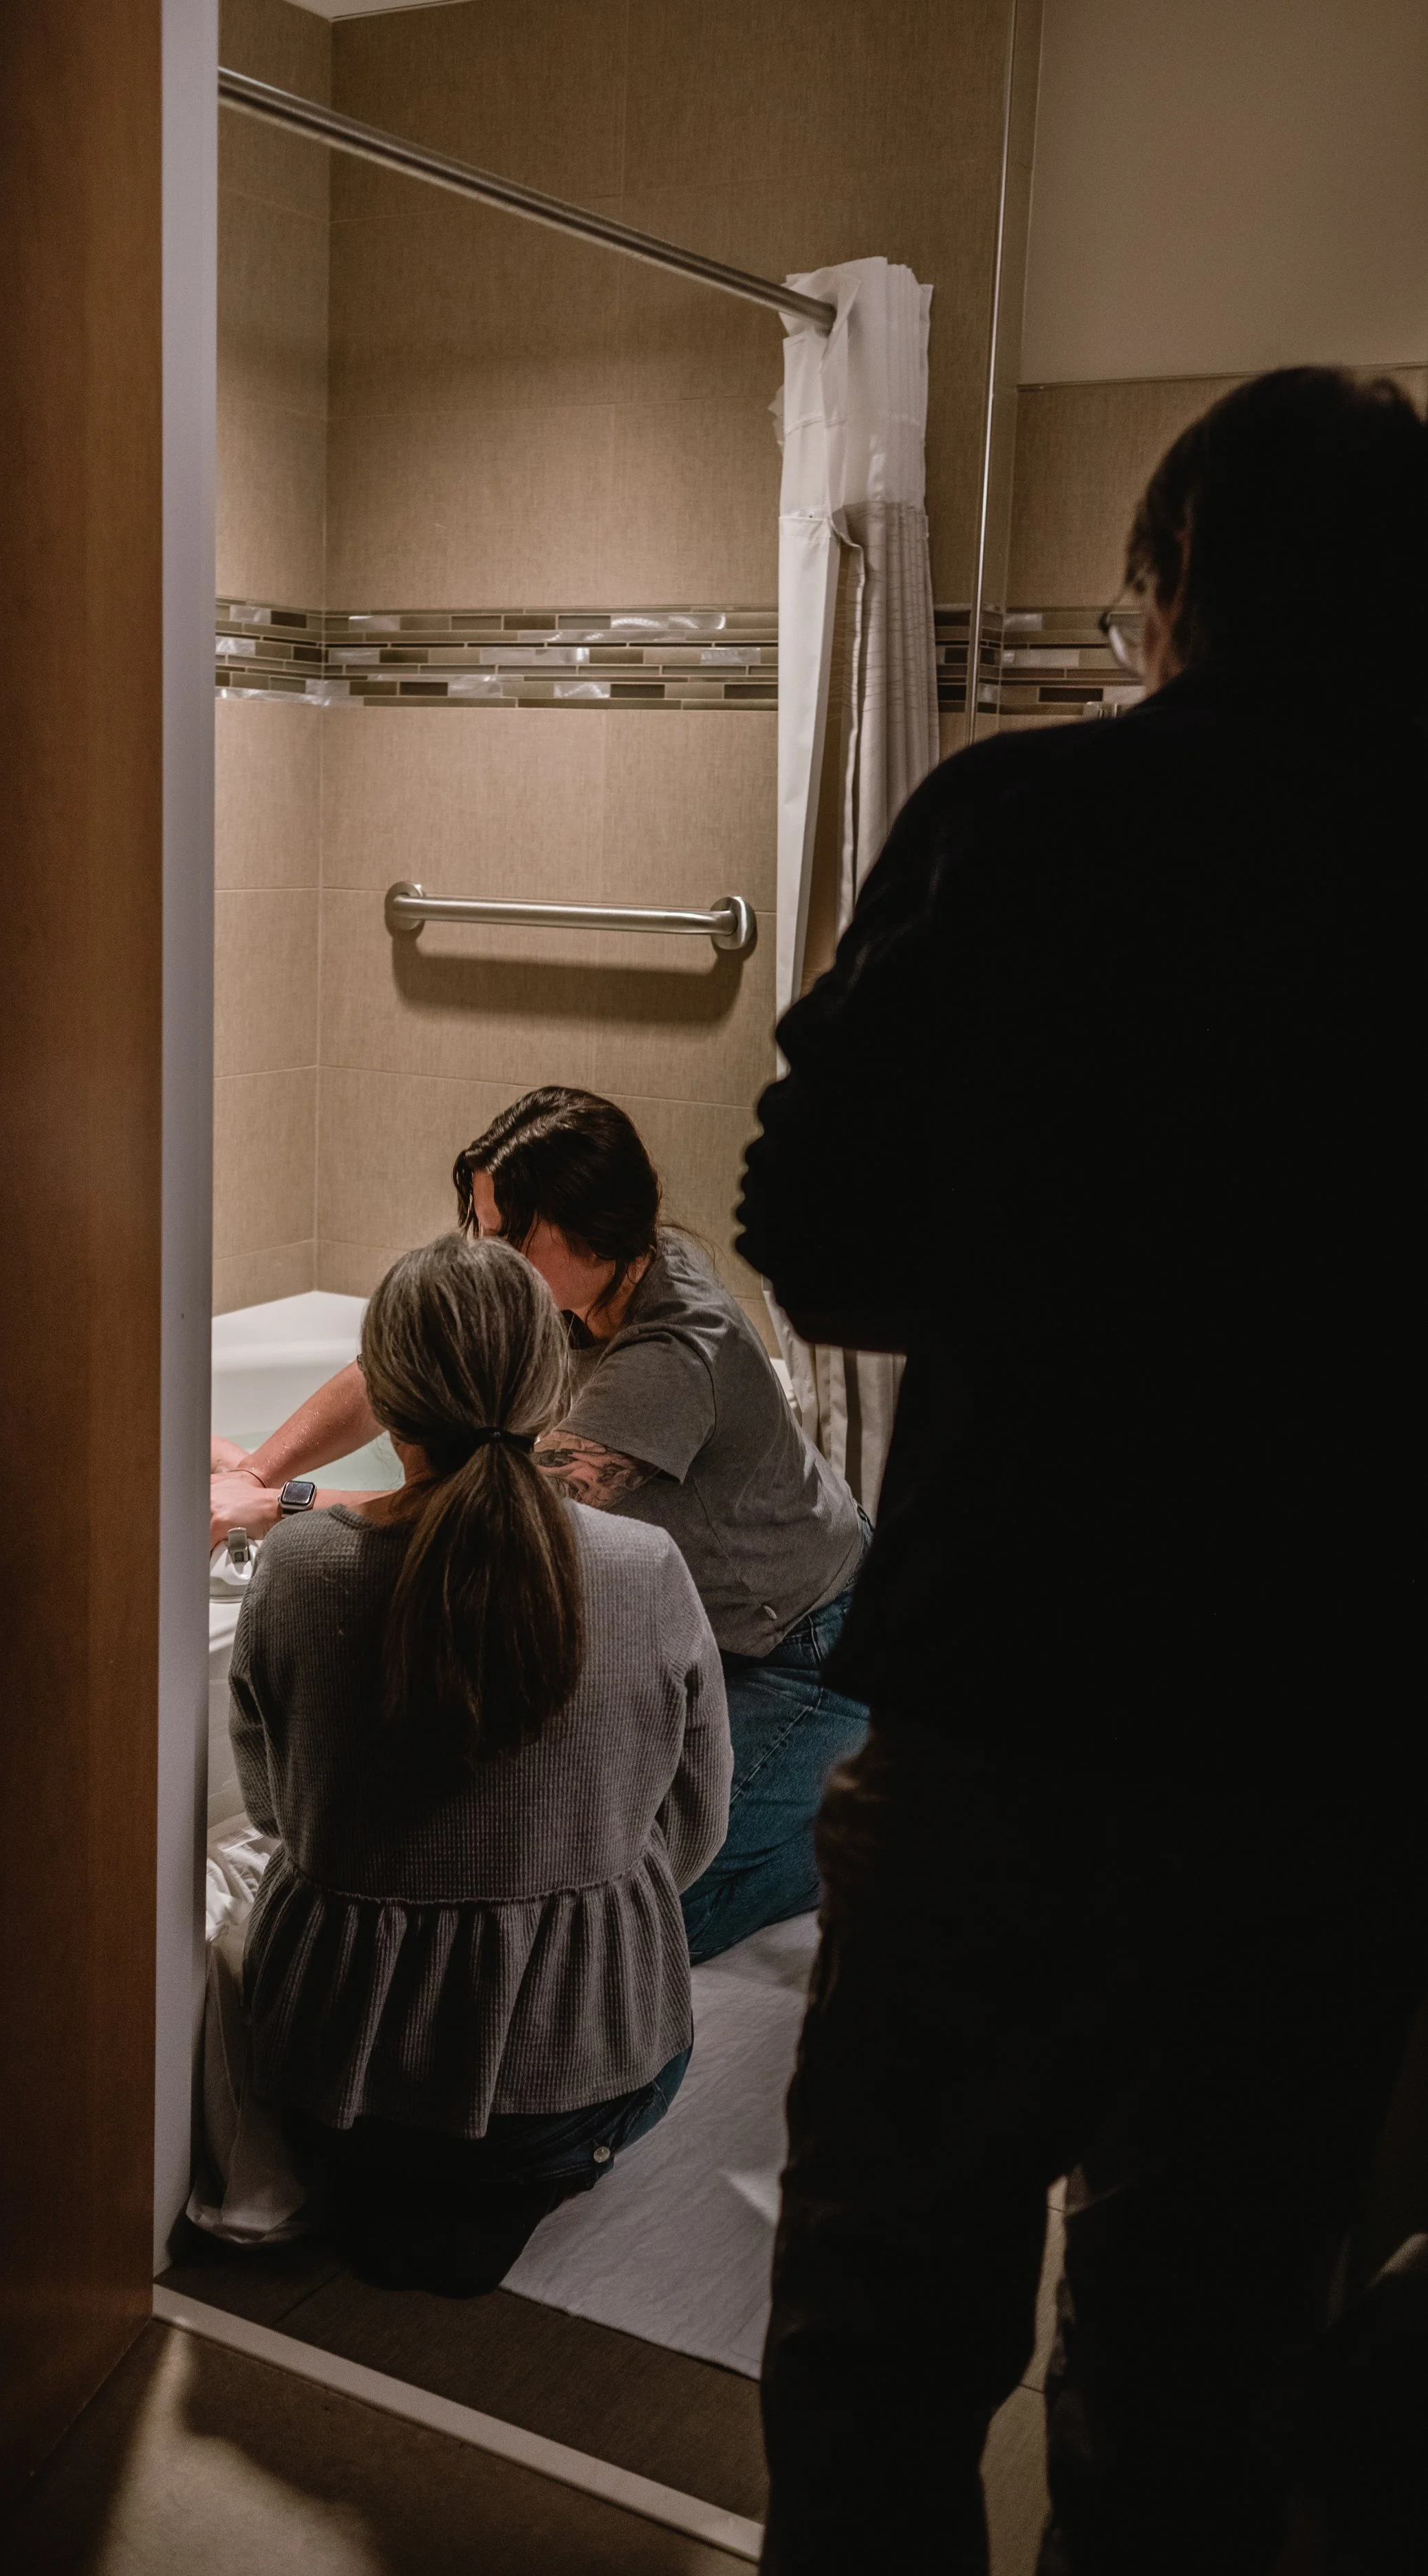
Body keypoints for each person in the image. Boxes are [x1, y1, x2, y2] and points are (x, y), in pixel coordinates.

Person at [737, 366, 1428, 2575]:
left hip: (1004, 1721)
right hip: (1332, 1772)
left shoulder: (1018, 823)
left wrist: (1049, 1269)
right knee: (1189, 2393)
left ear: (1174, 578)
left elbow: (811, 1237)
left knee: (878, 2336)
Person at [215, 1087, 871, 1961]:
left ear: (590, 1230)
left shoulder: (675, 1356)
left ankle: (840, 1820)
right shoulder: (592, 1273)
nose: (489, 1253)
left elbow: (488, 1507)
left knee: (635, 1923)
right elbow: (407, 1360)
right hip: (716, 1629)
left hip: (802, 1651)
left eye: (511, 1234)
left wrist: (277, 1507)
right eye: (483, 1226)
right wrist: (256, 1470)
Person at [227, 1231, 730, 2297]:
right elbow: (695, 1824)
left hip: (338, 2093)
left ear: (385, 1402)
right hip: (577, 2100)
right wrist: (572, 1889)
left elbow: (277, 1811)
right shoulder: (644, 1568)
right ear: (554, 1387)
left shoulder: (302, 1567)